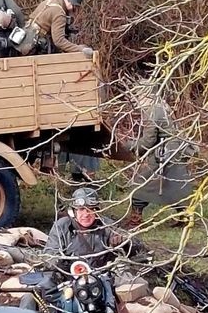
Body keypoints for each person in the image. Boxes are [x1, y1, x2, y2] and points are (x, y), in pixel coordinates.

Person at [126, 85, 194, 226]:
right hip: (175, 150)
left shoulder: (152, 110)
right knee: (176, 186)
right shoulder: (162, 106)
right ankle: (185, 217)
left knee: (141, 184)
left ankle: (135, 219)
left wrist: (126, 146)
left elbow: (148, 141)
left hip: (165, 152)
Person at [45, 186, 127, 269]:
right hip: (69, 275)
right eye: (81, 209)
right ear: (73, 211)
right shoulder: (61, 226)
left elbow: (135, 245)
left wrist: (123, 241)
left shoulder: (107, 225)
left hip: (103, 275)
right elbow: (49, 256)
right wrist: (66, 265)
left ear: (97, 211)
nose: (86, 214)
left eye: (90, 209)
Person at [20, 0, 93, 57]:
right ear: (71, 3)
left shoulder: (49, 1)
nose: (74, 10)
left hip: (25, 41)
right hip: (35, 49)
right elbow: (59, 41)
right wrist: (80, 49)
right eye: (75, 7)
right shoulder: (59, 13)